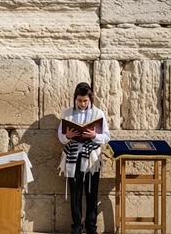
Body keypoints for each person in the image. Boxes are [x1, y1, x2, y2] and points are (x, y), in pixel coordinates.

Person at [57, 82, 110, 234]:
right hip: (73, 156)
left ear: (90, 99)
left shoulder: (98, 113)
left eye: (85, 101)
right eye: (79, 100)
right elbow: (60, 137)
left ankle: (91, 227)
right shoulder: (67, 113)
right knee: (75, 193)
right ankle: (77, 226)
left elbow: (106, 137)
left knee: (92, 192)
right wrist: (68, 136)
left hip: (92, 158)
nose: (82, 104)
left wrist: (94, 135)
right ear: (75, 98)